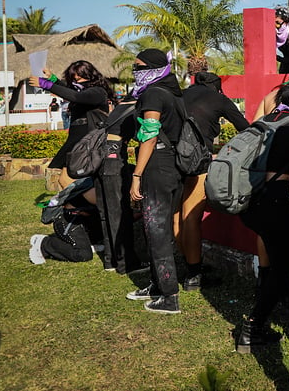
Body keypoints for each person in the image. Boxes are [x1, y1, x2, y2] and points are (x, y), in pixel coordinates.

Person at [236, 73, 289, 353]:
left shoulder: (265, 123)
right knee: (282, 266)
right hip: (276, 199)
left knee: (277, 262)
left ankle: (274, 308)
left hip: (254, 199)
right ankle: (252, 328)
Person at [177, 71, 250, 291]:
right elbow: (245, 129)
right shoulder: (218, 98)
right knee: (190, 216)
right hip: (196, 161)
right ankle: (193, 274)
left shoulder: (180, 95)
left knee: (174, 215)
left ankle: (183, 262)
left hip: (170, 158)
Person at [125, 49, 184, 314]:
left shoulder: (153, 94)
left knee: (157, 230)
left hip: (156, 167)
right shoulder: (172, 93)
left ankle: (169, 296)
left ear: (153, 68)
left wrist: (136, 175)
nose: (135, 71)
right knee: (158, 229)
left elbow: (149, 135)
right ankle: (157, 284)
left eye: (139, 67)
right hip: (171, 166)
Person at [29, 61, 113, 196]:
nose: (77, 82)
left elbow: (76, 96)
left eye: (79, 78)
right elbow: (72, 92)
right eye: (73, 78)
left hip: (88, 142)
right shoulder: (84, 91)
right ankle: (80, 207)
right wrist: (53, 80)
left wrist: (47, 85)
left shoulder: (98, 92)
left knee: (69, 180)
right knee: (65, 179)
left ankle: (97, 205)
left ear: (91, 76)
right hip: (77, 140)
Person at [94, 95, 144, 274]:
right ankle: (127, 264)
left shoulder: (120, 107)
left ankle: (110, 260)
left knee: (105, 212)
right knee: (119, 212)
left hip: (101, 157)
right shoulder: (137, 110)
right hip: (115, 157)